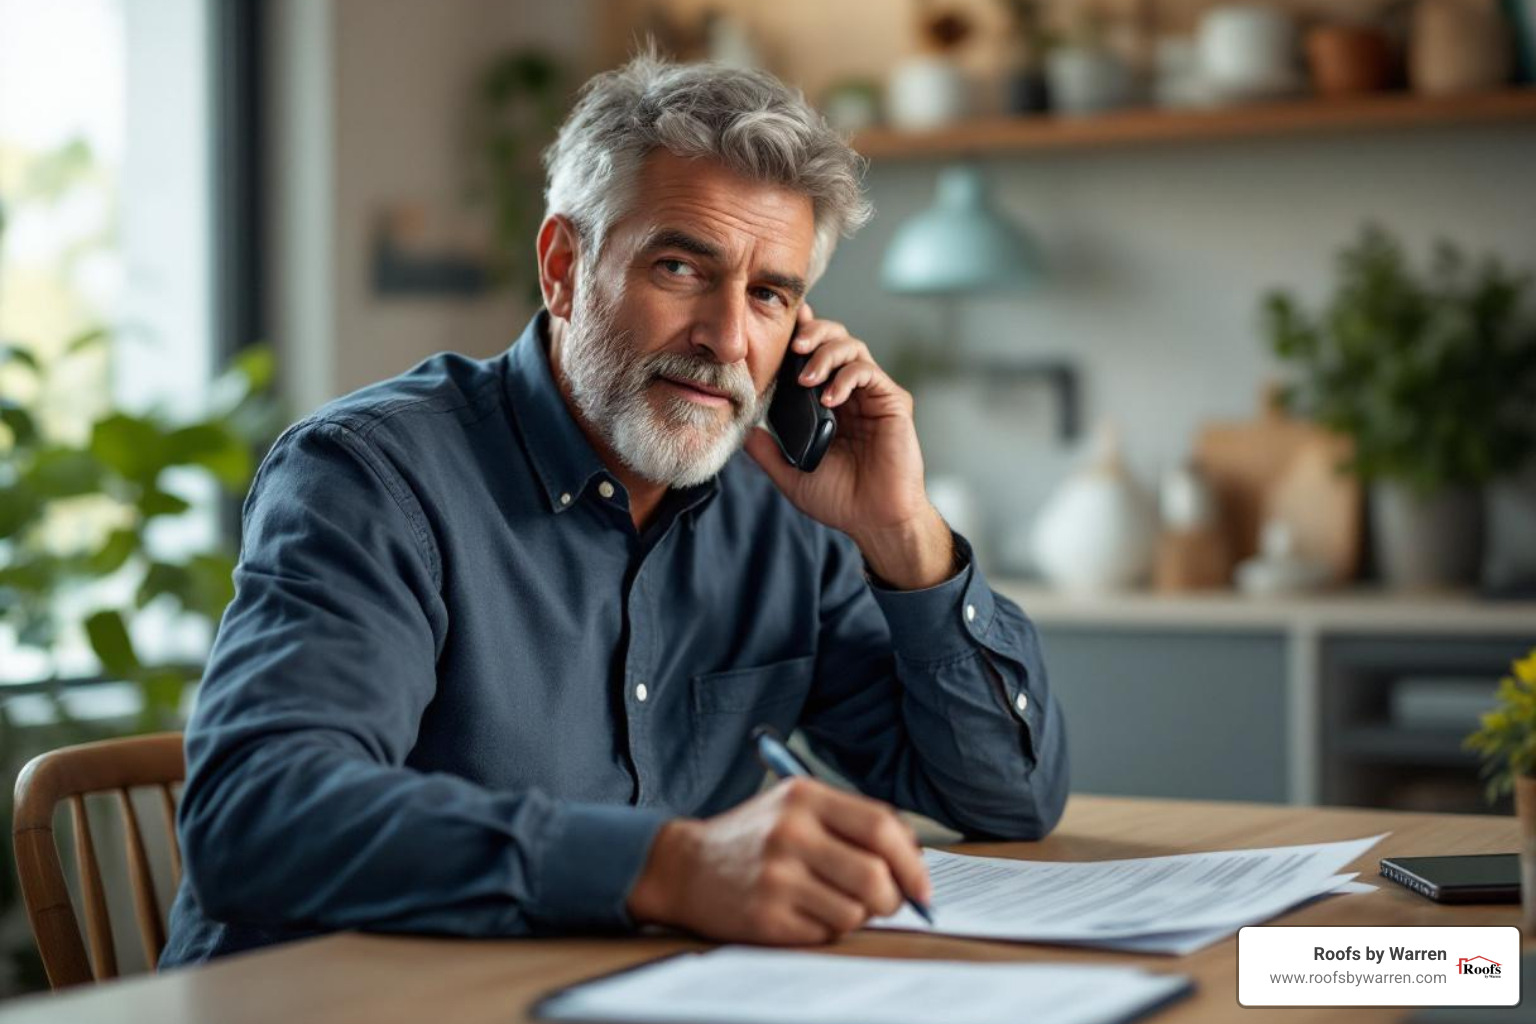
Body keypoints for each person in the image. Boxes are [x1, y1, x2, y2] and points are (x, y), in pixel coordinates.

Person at [160, 51, 1067, 967]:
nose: (726, 338)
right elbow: (257, 814)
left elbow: (1008, 801)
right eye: (680, 267)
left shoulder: (785, 506)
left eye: (769, 296)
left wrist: (902, 534)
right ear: (562, 267)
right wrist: (670, 868)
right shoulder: (371, 478)